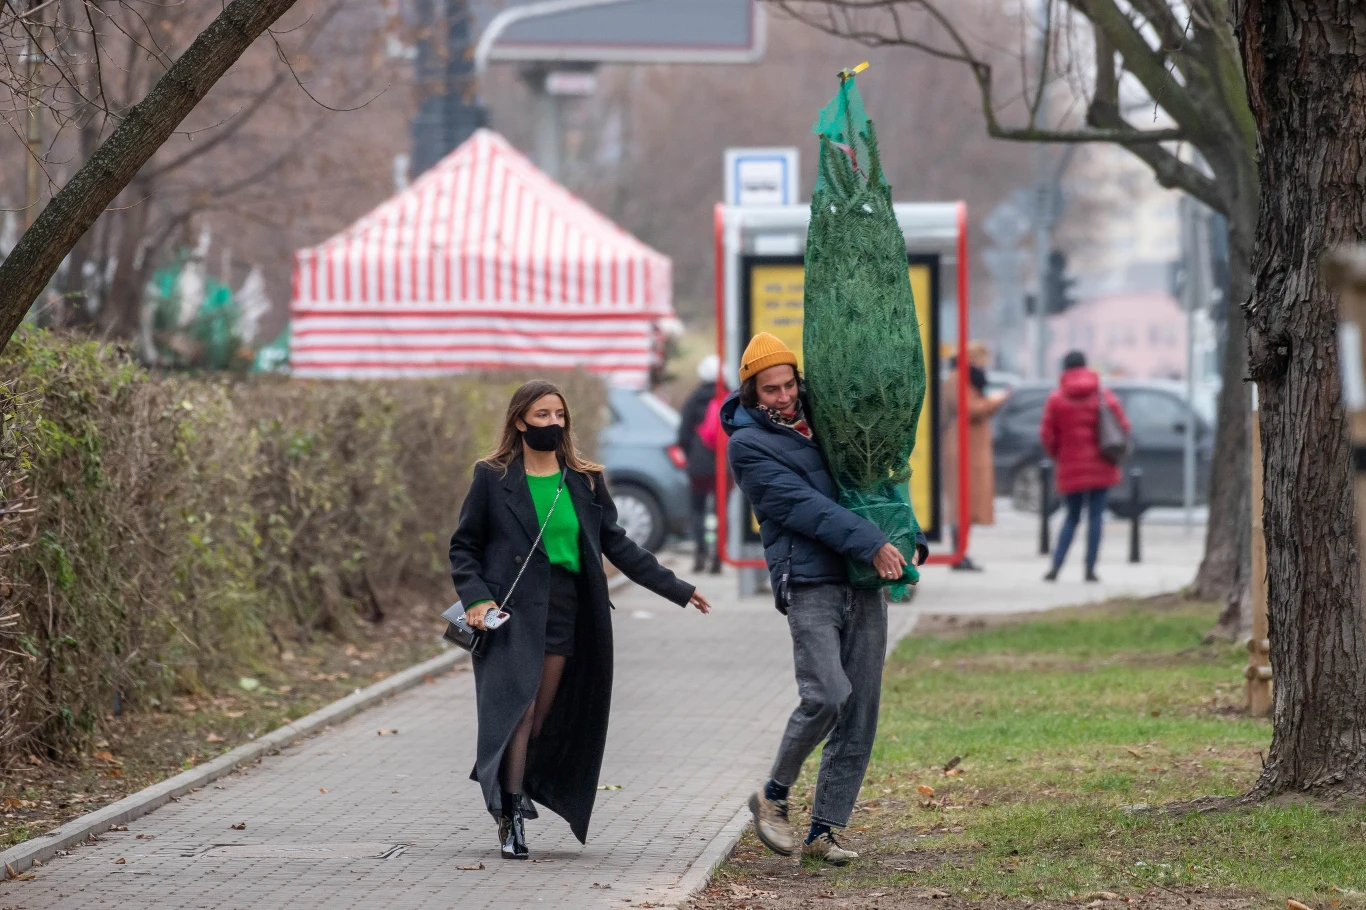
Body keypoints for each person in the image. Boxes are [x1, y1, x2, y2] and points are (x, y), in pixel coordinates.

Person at [449, 379, 712, 860]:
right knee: (519, 711)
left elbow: (619, 545)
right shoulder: (492, 476)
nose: (553, 423)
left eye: (559, 415)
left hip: (568, 612)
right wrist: (476, 599)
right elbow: (464, 546)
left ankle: (517, 782)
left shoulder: (585, 479)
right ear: (519, 420)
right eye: (543, 415)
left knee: (542, 716)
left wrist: (679, 588)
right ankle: (509, 814)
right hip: (509, 613)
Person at [721, 332, 928, 867]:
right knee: (829, 695)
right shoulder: (747, 444)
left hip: (863, 581)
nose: (784, 397)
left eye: (789, 384)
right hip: (810, 582)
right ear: (751, 392)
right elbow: (801, 506)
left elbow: (873, 480)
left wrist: (906, 534)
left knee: (861, 711)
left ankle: (824, 830)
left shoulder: (830, 422)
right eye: (771, 390)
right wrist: (873, 542)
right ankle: (773, 794)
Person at [1039, 350, 1131, 582]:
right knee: (1096, 517)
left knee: (1071, 516)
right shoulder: (1102, 394)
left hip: (1070, 466)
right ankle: (1090, 569)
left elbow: (1046, 435)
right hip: (1101, 466)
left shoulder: (1056, 399)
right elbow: (1123, 425)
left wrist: (1059, 455)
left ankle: (1056, 566)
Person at [940, 341, 1008, 571]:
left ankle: (962, 552)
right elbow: (970, 409)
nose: (983, 365)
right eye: (980, 360)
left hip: (971, 447)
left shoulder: (965, 379)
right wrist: (995, 400)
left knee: (968, 504)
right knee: (961, 503)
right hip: (961, 448)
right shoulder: (957, 379)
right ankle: (958, 554)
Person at [678, 354, 724, 573]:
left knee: (698, 510)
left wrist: (691, 456)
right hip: (724, 467)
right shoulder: (729, 396)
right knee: (720, 511)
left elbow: (683, 434)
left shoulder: (694, 398)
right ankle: (718, 556)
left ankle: (700, 554)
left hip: (698, 467)